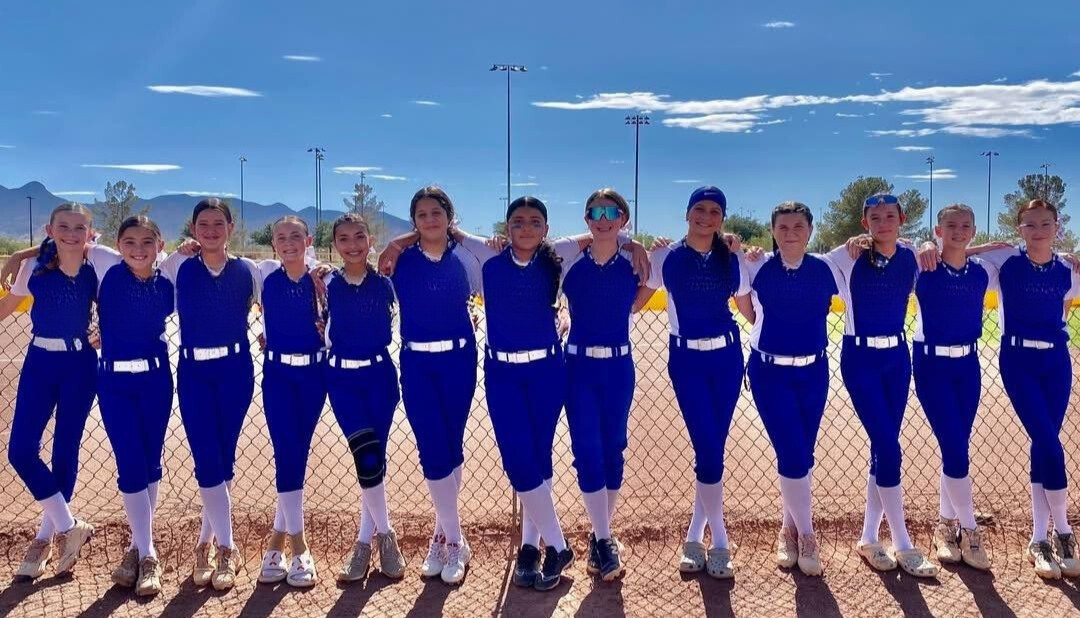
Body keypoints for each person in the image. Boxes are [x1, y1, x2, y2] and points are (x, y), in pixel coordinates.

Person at [918, 199, 1080, 580]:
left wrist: (1074, 257)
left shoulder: (1068, 268)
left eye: (1045, 224)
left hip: (1057, 362)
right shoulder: (1004, 259)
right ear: (1019, 229)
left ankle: (1039, 538)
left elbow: (1065, 305)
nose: (1037, 231)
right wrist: (931, 245)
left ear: (1057, 226)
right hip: (1018, 359)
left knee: (1045, 443)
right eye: (1029, 225)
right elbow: (962, 252)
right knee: (1047, 442)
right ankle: (1063, 531)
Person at [634, 186, 748, 579]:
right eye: (699, 208)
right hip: (687, 360)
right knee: (708, 447)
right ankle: (720, 541)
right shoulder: (665, 256)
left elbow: (750, 309)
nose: (706, 216)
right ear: (687, 214)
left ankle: (695, 536)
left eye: (715, 211)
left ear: (722, 219)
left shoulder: (731, 255)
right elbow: (635, 301)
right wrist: (633, 247)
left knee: (712, 448)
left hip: (727, 358)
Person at [826, 193, 937, 577]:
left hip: (896, 358)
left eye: (890, 216)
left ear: (902, 219)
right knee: (889, 446)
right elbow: (807, 261)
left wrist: (929, 243)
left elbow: (959, 252)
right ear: (865, 223)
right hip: (860, 359)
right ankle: (903, 542)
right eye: (875, 217)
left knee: (883, 446)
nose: (883, 223)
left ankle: (869, 537)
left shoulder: (912, 255)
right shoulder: (849, 256)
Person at [377, 187, 482, 585]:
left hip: (458, 360)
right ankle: (454, 540)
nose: (429, 220)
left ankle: (444, 535)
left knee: (451, 446)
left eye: (436, 212)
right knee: (431, 447)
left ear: (449, 216)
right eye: (421, 215)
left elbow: (495, 259)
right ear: (414, 221)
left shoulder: (466, 257)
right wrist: (396, 242)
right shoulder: (401, 259)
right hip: (417, 362)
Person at [160, 198, 261, 590]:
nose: (211, 230)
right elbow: (143, 276)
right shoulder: (180, 266)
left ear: (231, 228)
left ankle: (207, 543)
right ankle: (227, 548)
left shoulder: (248, 269)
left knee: (223, 457)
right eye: (203, 224)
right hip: (194, 373)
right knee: (206, 458)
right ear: (193, 228)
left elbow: (281, 294)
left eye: (219, 223)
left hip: (235, 371)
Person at [736, 201, 836, 577]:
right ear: (773, 231)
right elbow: (746, 309)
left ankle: (788, 528)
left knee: (802, 454)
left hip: (814, 371)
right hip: (770, 373)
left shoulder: (826, 267)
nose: (790, 233)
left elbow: (878, 246)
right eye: (783, 227)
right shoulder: (757, 265)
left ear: (810, 231)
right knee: (792, 452)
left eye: (798, 226)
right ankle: (808, 536)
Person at [0, 203, 97, 580]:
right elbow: (8, 306)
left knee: (64, 450)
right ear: (49, 229)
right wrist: (19, 256)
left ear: (89, 233)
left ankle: (45, 538)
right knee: (21, 451)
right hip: (40, 362)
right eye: (63, 227)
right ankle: (70, 526)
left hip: (80, 365)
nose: (71, 234)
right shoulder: (34, 267)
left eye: (79, 228)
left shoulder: (96, 265)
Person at [86, 216, 174, 596]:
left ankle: (138, 548)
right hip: (114, 382)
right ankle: (148, 553)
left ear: (160, 246)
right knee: (130, 463)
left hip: (155, 381)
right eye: (130, 242)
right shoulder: (105, 264)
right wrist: (15, 257)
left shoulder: (168, 276)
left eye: (147, 242)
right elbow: (64, 243)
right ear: (118, 244)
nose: (139, 249)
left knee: (150, 462)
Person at [561, 188, 643, 582]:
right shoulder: (570, 261)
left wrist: (633, 244)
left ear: (623, 218)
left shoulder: (634, 263)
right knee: (587, 450)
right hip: (578, 367)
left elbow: (643, 294)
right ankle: (605, 539)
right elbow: (544, 246)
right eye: (596, 212)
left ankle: (599, 536)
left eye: (612, 212)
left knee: (614, 448)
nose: (604, 219)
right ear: (586, 219)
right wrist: (628, 240)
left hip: (618, 368)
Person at [908, 204, 994, 571]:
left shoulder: (981, 271)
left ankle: (944, 526)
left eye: (965, 225)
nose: (959, 230)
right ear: (938, 230)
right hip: (932, 364)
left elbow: (1017, 249)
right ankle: (970, 530)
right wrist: (925, 245)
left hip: (968, 364)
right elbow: (893, 247)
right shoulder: (922, 267)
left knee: (957, 445)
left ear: (973, 230)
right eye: (950, 225)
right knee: (956, 447)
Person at [324, 213, 407, 583]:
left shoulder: (387, 283)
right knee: (366, 453)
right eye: (343, 238)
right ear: (334, 245)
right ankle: (384, 536)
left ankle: (363, 543)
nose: (353, 245)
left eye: (360, 237)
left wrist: (398, 243)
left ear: (371, 240)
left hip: (379, 377)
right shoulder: (325, 283)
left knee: (373, 462)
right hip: (342, 379)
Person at [251, 216, 328, 588]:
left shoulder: (322, 278)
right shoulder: (265, 274)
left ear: (308, 240)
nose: (288, 243)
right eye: (280, 237)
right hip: (278, 375)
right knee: (286, 451)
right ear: (273, 243)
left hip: (314, 376)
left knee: (297, 453)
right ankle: (298, 547)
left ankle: (276, 541)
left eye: (296, 236)